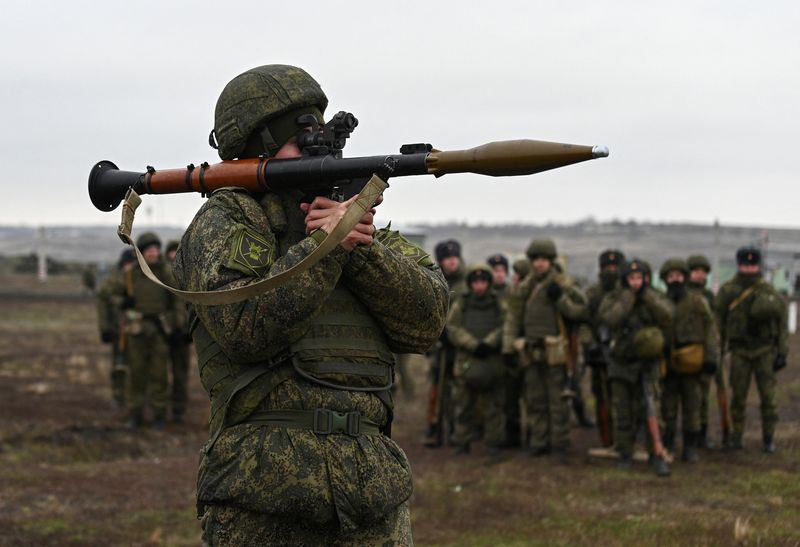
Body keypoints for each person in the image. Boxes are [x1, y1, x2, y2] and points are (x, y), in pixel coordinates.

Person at [173, 64, 449, 545]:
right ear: (255, 145)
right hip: (264, 496)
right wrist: (325, 249)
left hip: (372, 497)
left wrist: (360, 248)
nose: (316, 144)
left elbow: (426, 323)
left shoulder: (355, 225)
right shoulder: (227, 218)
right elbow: (245, 326)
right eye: (298, 136)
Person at [502, 239, 587, 459]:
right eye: (536, 260)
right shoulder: (525, 287)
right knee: (535, 400)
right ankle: (539, 442)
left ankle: (559, 445)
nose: (539, 264)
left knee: (558, 401)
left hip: (556, 352)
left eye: (544, 260)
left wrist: (560, 299)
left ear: (551, 261)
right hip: (530, 351)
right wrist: (508, 348)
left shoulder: (563, 283)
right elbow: (513, 318)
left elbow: (581, 311)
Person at [598, 258, 673, 476]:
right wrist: (628, 298)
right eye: (631, 278)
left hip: (647, 363)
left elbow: (668, 316)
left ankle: (656, 454)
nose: (636, 282)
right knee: (622, 411)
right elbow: (610, 319)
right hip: (621, 362)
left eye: (639, 278)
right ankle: (624, 453)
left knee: (651, 409)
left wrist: (647, 296)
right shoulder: (614, 298)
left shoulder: (654, 296)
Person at [715, 246, 788, 453]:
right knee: (738, 397)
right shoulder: (728, 291)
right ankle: (736, 437)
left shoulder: (768, 291)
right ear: (738, 265)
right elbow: (718, 321)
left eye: (753, 266)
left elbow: (781, 323)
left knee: (768, 398)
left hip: (764, 351)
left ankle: (768, 439)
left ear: (758, 266)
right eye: (745, 266)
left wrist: (782, 353)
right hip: (739, 352)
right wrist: (717, 351)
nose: (749, 270)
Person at [109, 232, 184, 429]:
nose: (154, 253)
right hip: (137, 330)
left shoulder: (166, 273)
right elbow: (113, 296)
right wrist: (124, 302)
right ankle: (136, 414)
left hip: (160, 330)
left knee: (159, 374)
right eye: (149, 250)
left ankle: (159, 414)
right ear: (141, 253)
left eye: (156, 249)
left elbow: (178, 299)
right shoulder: (131, 274)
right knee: (137, 373)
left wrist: (177, 325)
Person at [658, 258, 718, 463]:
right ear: (665, 279)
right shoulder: (659, 301)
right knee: (668, 408)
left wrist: (711, 358)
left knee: (692, 407)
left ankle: (690, 447)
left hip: (692, 362)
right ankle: (668, 444)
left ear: (684, 277)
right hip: (667, 362)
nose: (675, 280)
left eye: (679, 275)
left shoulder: (697, 302)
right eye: (671, 276)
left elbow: (710, 330)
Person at [447, 264, 508, 455]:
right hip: (467, 361)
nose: (479, 286)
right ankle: (462, 442)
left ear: (489, 283)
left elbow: (506, 325)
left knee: (493, 407)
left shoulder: (498, 303)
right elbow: (452, 327)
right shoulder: (462, 303)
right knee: (464, 405)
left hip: (492, 361)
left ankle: (493, 443)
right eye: (475, 282)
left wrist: (489, 343)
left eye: (483, 281)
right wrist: (473, 344)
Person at [424, 238, 466, 447]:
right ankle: (435, 425)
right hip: (440, 345)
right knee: (436, 387)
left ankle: (456, 429)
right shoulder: (435, 281)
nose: (452, 262)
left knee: (457, 388)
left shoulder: (467, 284)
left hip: (459, 345)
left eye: (454, 257)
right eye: (447, 258)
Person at [582, 249, 625, 447]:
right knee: (602, 397)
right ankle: (606, 437)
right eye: (607, 267)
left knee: (625, 398)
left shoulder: (628, 293)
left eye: (615, 267)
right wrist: (589, 343)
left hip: (624, 353)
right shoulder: (593, 294)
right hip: (599, 352)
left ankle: (627, 436)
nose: (611, 271)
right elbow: (583, 322)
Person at [686, 254, 722, 448]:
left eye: (702, 272)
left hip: (705, 350)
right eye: (695, 271)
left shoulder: (709, 297)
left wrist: (714, 352)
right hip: (686, 351)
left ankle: (701, 433)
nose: (699, 275)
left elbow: (714, 325)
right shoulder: (682, 294)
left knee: (703, 396)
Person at [97, 248, 136, 408]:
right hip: (117, 329)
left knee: (137, 364)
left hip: (135, 328)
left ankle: (134, 396)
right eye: (128, 263)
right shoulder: (112, 281)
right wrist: (104, 329)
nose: (130, 266)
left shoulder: (139, 278)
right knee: (119, 363)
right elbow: (104, 305)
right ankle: (118, 395)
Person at [164, 239, 191, 422]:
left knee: (181, 373)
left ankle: (178, 410)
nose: (174, 255)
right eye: (171, 252)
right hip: (164, 332)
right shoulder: (160, 275)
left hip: (184, 333)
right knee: (158, 373)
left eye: (177, 251)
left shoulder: (190, 274)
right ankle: (159, 408)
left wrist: (188, 330)